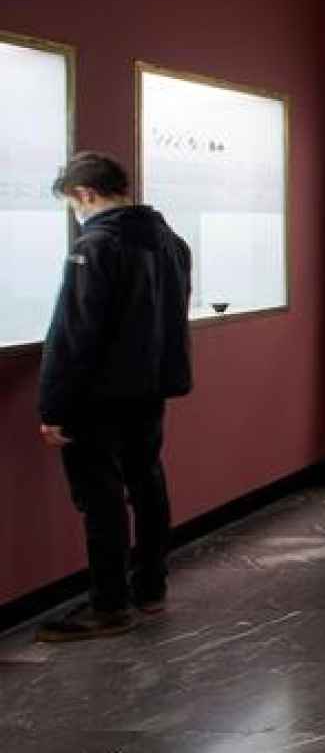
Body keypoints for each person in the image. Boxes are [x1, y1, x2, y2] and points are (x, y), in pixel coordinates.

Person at [36, 152, 193, 642]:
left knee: (100, 496)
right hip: (148, 388)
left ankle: (108, 606)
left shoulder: (97, 245)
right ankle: (150, 587)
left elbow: (75, 333)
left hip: (97, 396)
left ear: (84, 195)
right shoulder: (171, 241)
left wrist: (53, 406)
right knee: (146, 482)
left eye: (72, 204)